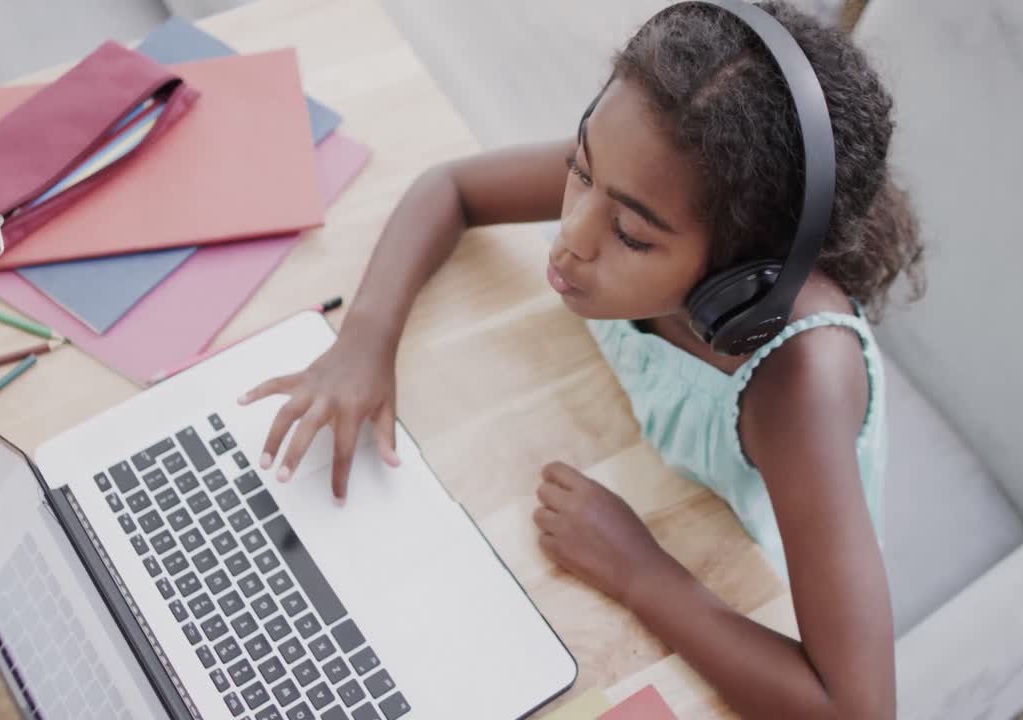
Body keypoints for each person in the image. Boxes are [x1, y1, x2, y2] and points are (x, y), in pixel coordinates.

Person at [241, 1, 924, 715]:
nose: (570, 234)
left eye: (628, 233)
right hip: (617, 457)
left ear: (742, 282)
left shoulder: (799, 386)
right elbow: (450, 187)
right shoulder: (641, 174)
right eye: (579, 168)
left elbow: (856, 707)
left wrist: (639, 573)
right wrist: (364, 341)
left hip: (743, 574)